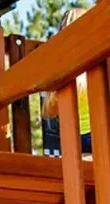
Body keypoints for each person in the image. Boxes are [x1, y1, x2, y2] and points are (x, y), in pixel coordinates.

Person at [42, 8, 92, 155]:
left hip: (73, 138)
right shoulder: (92, 66)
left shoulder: (59, 69)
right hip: (95, 132)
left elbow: (49, 110)